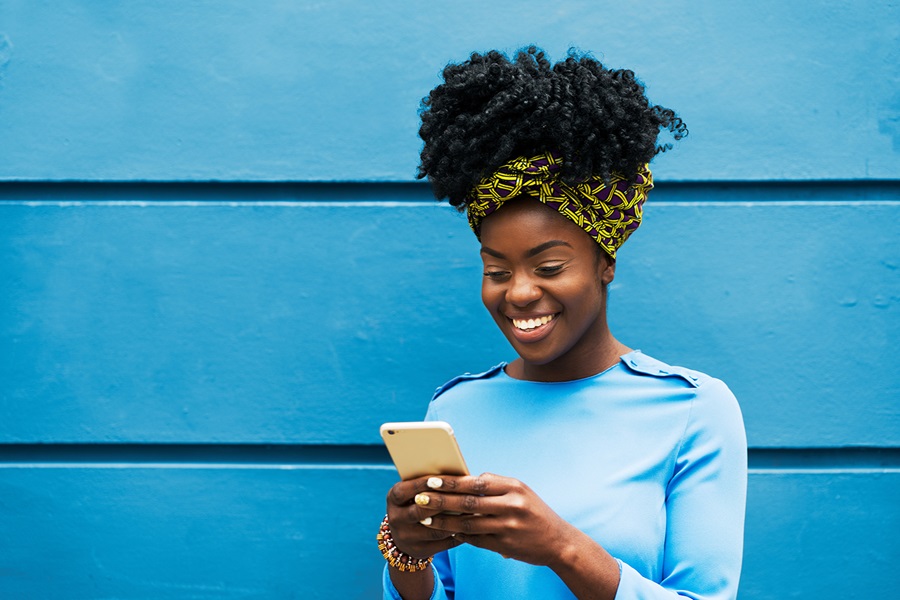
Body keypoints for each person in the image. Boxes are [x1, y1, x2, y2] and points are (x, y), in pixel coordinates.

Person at [379, 47, 747, 600]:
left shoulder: (693, 410)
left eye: (549, 267)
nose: (520, 292)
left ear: (605, 264)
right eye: (496, 270)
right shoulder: (454, 411)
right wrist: (406, 553)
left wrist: (561, 547)